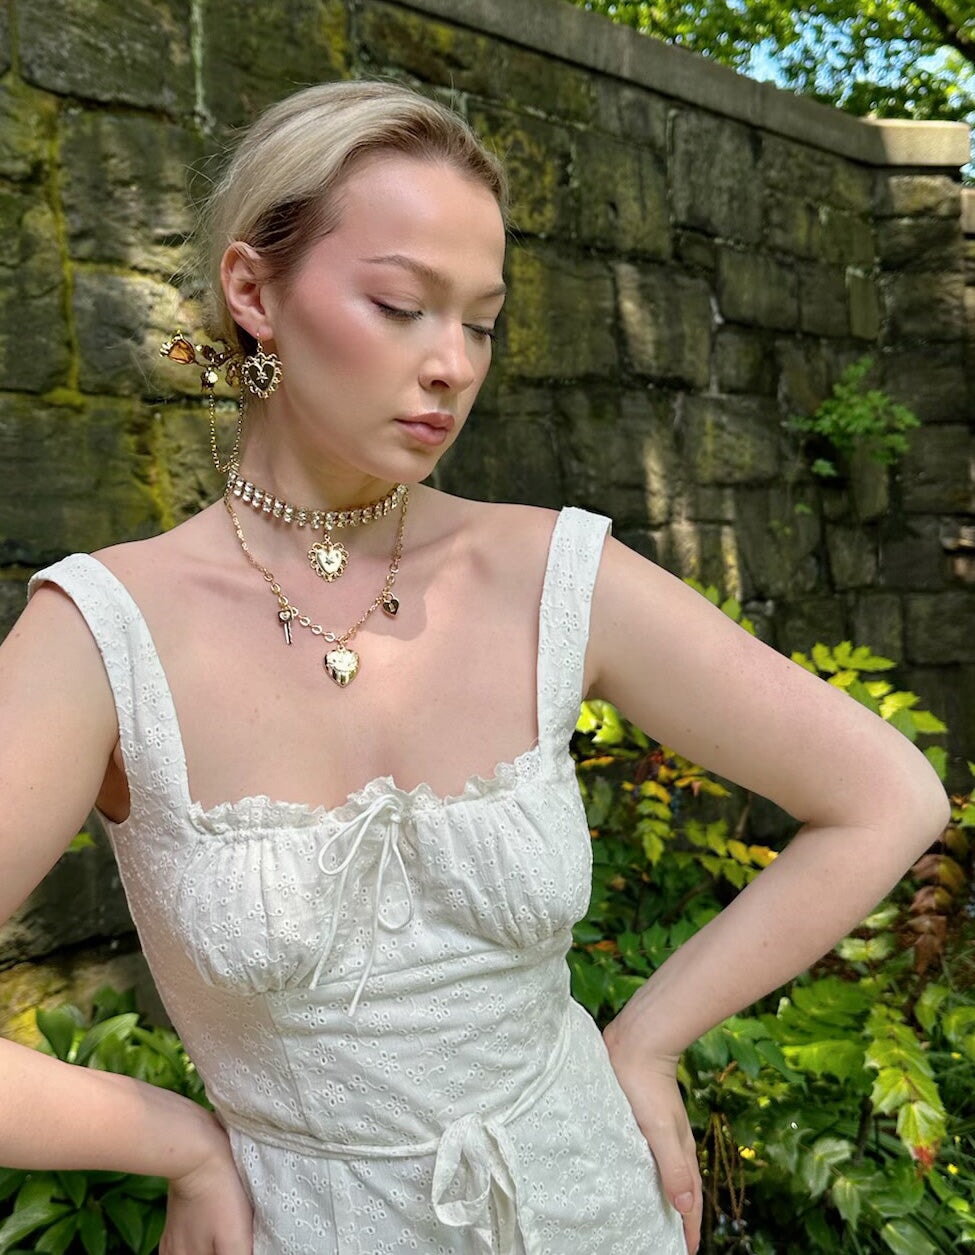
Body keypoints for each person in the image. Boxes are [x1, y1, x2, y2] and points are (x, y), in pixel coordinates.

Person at [0, 80, 949, 1255]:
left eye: (483, 322)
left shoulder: (551, 574)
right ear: (253, 291)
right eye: (400, 306)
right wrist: (175, 1139)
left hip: (604, 1215)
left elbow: (887, 795)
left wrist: (648, 1037)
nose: (452, 363)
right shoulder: (104, 635)